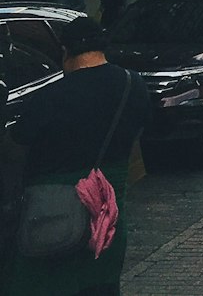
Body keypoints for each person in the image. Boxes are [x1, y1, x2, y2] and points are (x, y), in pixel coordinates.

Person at [1, 15, 150, 296]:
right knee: (100, 283)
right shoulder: (134, 85)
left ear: (65, 51)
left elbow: (16, 146)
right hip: (107, 214)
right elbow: (139, 134)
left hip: (52, 213)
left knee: (45, 282)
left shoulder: (53, 96)